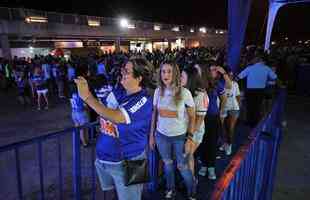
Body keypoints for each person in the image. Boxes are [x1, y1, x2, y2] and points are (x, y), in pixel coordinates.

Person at [74, 57, 154, 200]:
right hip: (106, 159)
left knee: (133, 197)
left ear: (139, 78)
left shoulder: (144, 99)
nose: (122, 72)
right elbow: (103, 108)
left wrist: (87, 97)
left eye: (127, 71)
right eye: (123, 69)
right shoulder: (120, 91)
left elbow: (116, 116)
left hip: (132, 161)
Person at [149, 62, 196, 200]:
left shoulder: (185, 93)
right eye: (163, 72)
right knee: (168, 164)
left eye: (169, 71)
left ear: (175, 73)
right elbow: (154, 115)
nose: (165, 75)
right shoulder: (158, 91)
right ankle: (171, 189)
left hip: (179, 137)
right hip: (161, 136)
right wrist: (151, 136)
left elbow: (193, 117)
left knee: (182, 167)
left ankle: (192, 191)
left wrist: (190, 138)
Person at [198, 64, 231, 180]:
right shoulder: (199, 83)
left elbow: (226, 95)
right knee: (202, 142)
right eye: (211, 69)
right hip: (200, 118)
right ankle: (203, 165)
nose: (214, 72)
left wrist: (221, 113)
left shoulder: (217, 84)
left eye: (215, 70)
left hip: (213, 117)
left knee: (212, 143)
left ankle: (211, 167)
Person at [181, 66, 209, 182]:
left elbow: (199, 120)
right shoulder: (183, 91)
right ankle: (189, 181)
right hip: (185, 130)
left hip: (194, 132)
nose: (179, 78)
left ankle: (191, 182)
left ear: (190, 78)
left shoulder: (200, 95)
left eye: (181, 76)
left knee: (188, 156)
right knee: (187, 157)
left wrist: (189, 137)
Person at [237, 51, 277, 127]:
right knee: (257, 107)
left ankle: (249, 121)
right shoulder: (266, 68)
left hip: (250, 91)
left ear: (257, 60)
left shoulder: (249, 68)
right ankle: (256, 122)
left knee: (250, 106)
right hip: (260, 91)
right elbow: (275, 77)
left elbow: (239, 77)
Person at [219, 70, 241, 156]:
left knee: (230, 128)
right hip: (223, 108)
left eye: (232, 75)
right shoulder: (220, 84)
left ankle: (229, 145)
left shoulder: (235, 84)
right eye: (229, 75)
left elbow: (238, 96)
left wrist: (238, 107)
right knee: (222, 127)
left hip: (233, 108)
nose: (231, 77)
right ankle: (224, 143)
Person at [69, 82, 89, 147]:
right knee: (82, 129)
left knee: (77, 128)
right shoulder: (80, 95)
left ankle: (78, 140)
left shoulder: (71, 94)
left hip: (74, 112)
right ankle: (84, 143)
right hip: (81, 113)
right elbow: (84, 105)